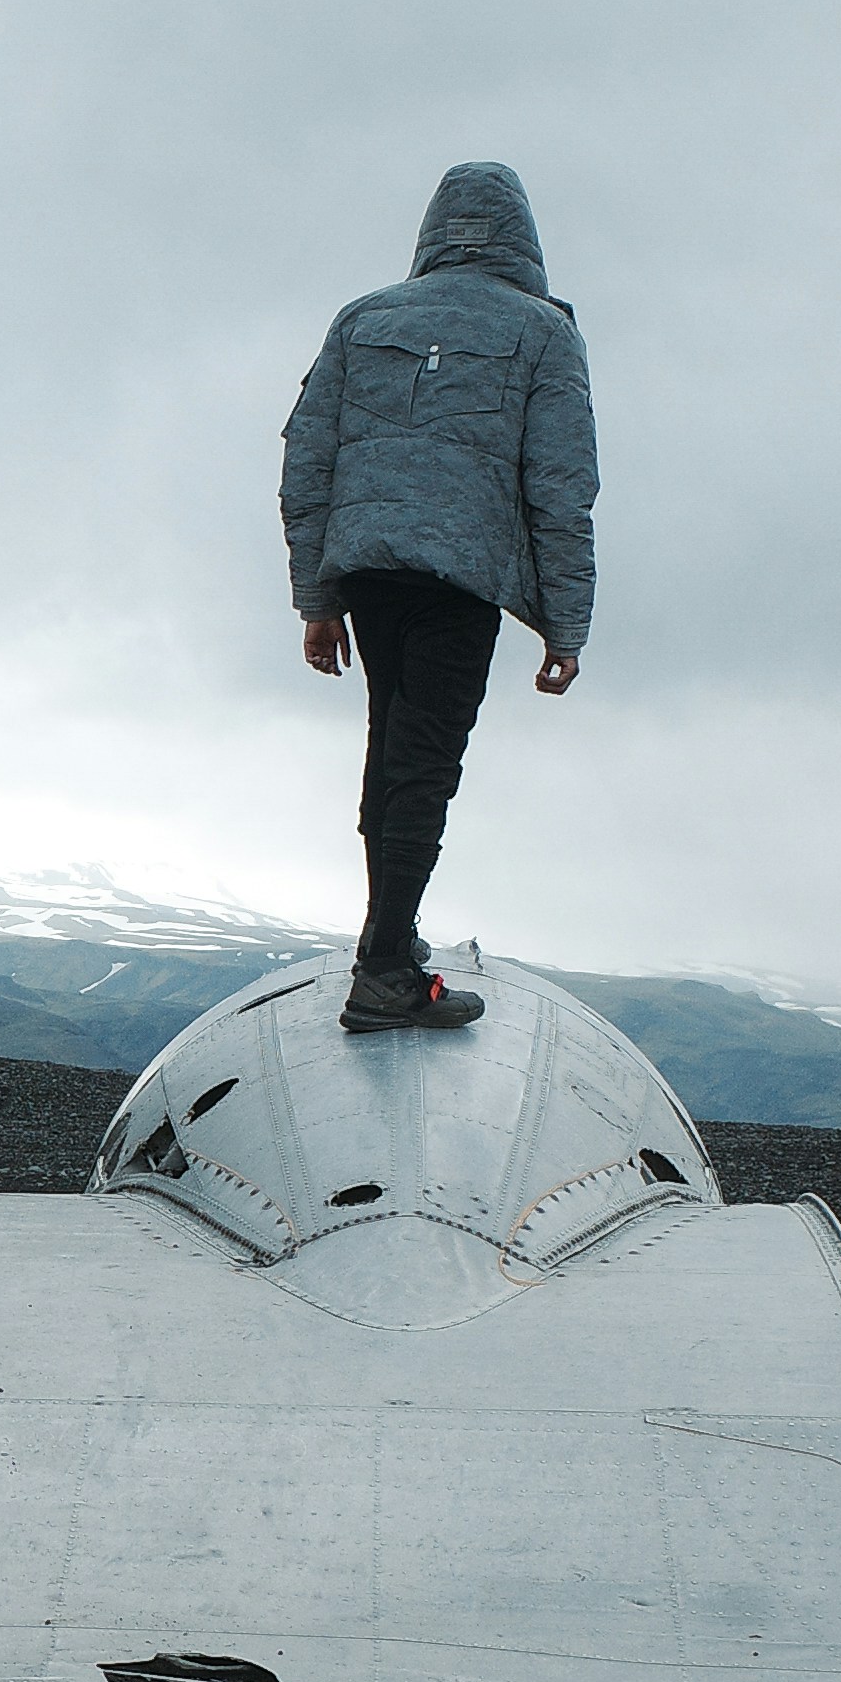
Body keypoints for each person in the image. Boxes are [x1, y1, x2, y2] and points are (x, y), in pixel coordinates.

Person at [276, 160, 595, 1034]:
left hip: (370, 572)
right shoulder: (543, 333)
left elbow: (307, 461)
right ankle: (383, 973)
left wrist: (319, 598)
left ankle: (389, 935)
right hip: (459, 581)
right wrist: (565, 624)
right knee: (425, 762)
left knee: (392, 746)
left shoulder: (364, 319)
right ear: (524, 237)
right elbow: (560, 487)